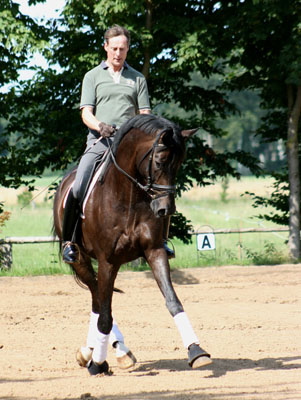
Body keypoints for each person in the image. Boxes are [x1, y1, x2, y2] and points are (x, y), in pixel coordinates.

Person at [62, 24, 175, 264]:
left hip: (130, 146)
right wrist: (99, 125)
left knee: (161, 183)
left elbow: (145, 114)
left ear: (127, 50)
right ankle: (69, 241)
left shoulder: (137, 78)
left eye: (122, 49)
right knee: (79, 184)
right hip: (101, 141)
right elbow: (85, 113)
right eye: (114, 48)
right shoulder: (92, 76)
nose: (117, 53)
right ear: (105, 47)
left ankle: (162, 240)